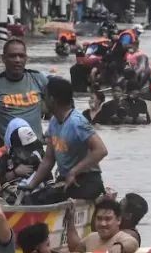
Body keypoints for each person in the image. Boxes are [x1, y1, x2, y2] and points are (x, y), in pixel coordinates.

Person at [25, 77, 107, 205]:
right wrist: (30, 186)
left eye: (44, 96)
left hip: (86, 182)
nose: (42, 101)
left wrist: (74, 171)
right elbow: (48, 159)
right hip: (65, 181)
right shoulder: (53, 122)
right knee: (30, 199)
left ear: (52, 100)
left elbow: (101, 150)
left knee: (45, 199)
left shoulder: (76, 122)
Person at [65, 198, 139, 253]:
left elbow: (133, 243)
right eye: (99, 218)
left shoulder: (121, 237)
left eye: (108, 219)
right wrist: (70, 220)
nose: (103, 223)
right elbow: (74, 249)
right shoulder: (91, 237)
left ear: (118, 220)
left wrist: (120, 246)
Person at [0, 118, 45, 185]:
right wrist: (15, 173)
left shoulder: (38, 154)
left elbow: (48, 176)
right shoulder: (5, 158)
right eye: (26, 149)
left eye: (32, 147)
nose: (30, 152)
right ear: (16, 149)